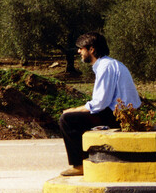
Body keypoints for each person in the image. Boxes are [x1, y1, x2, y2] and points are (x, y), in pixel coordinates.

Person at [58, 32, 141, 176]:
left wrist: (72, 110)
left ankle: (79, 165)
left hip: (117, 115)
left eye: (81, 48)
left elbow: (100, 103)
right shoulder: (108, 64)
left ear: (92, 49)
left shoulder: (105, 67)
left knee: (67, 120)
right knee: (75, 117)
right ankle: (86, 159)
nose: (79, 51)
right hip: (123, 113)